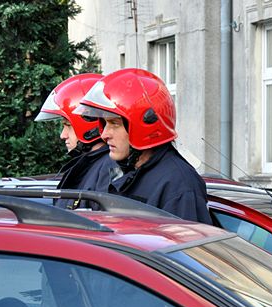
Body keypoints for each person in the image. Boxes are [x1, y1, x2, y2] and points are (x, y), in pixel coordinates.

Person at [73, 68, 211, 224]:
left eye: (114, 123)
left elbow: (184, 246)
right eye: (104, 123)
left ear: (145, 126)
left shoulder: (179, 184)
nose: (104, 134)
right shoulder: (113, 168)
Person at [36, 74, 118, 204]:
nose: (62, 135)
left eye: (68, 126)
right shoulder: (89, 164)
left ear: (90, 122)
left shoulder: (108, 169)